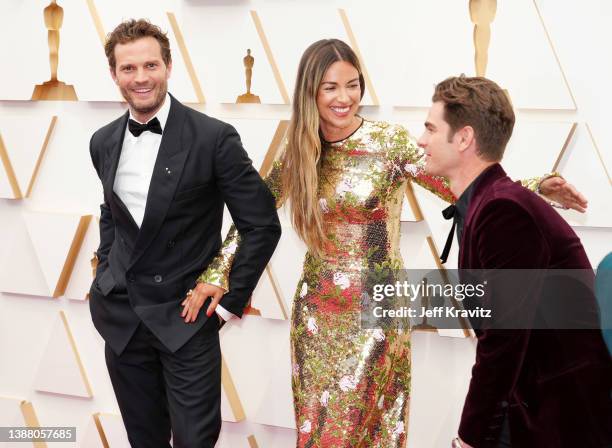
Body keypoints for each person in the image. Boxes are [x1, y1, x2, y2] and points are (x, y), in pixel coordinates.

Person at [202, 40, 588, 447]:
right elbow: (253, 219)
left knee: (372, 433)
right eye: (331, 87)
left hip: (379, 312)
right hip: (317, 314)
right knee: (321, 435)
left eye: (353, 85)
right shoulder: (296, 152)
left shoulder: (389, 143)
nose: (345, 97)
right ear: (310, 91)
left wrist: (536, 187)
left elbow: (460, 185)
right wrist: (216, 273)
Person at [88, 19, 280, 447]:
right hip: (123, 320)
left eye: (151, 65)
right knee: (144, 439)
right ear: (114, 74)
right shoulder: (102, 141)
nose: (141, 78)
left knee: (194, 441)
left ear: (169, 66)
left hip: (185, 320)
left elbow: (261, 224)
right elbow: (112, 214)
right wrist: (104, 274)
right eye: (129, 68)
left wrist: (227, 293)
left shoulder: (213, 138)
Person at [418, 75, 612, 448]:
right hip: (534, 406)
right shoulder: (493, 202)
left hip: (564, 416)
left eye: (430, 128)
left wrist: (470, 436)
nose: (421, 140)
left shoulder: (503, 210)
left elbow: (503, 338)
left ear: (463, 138)